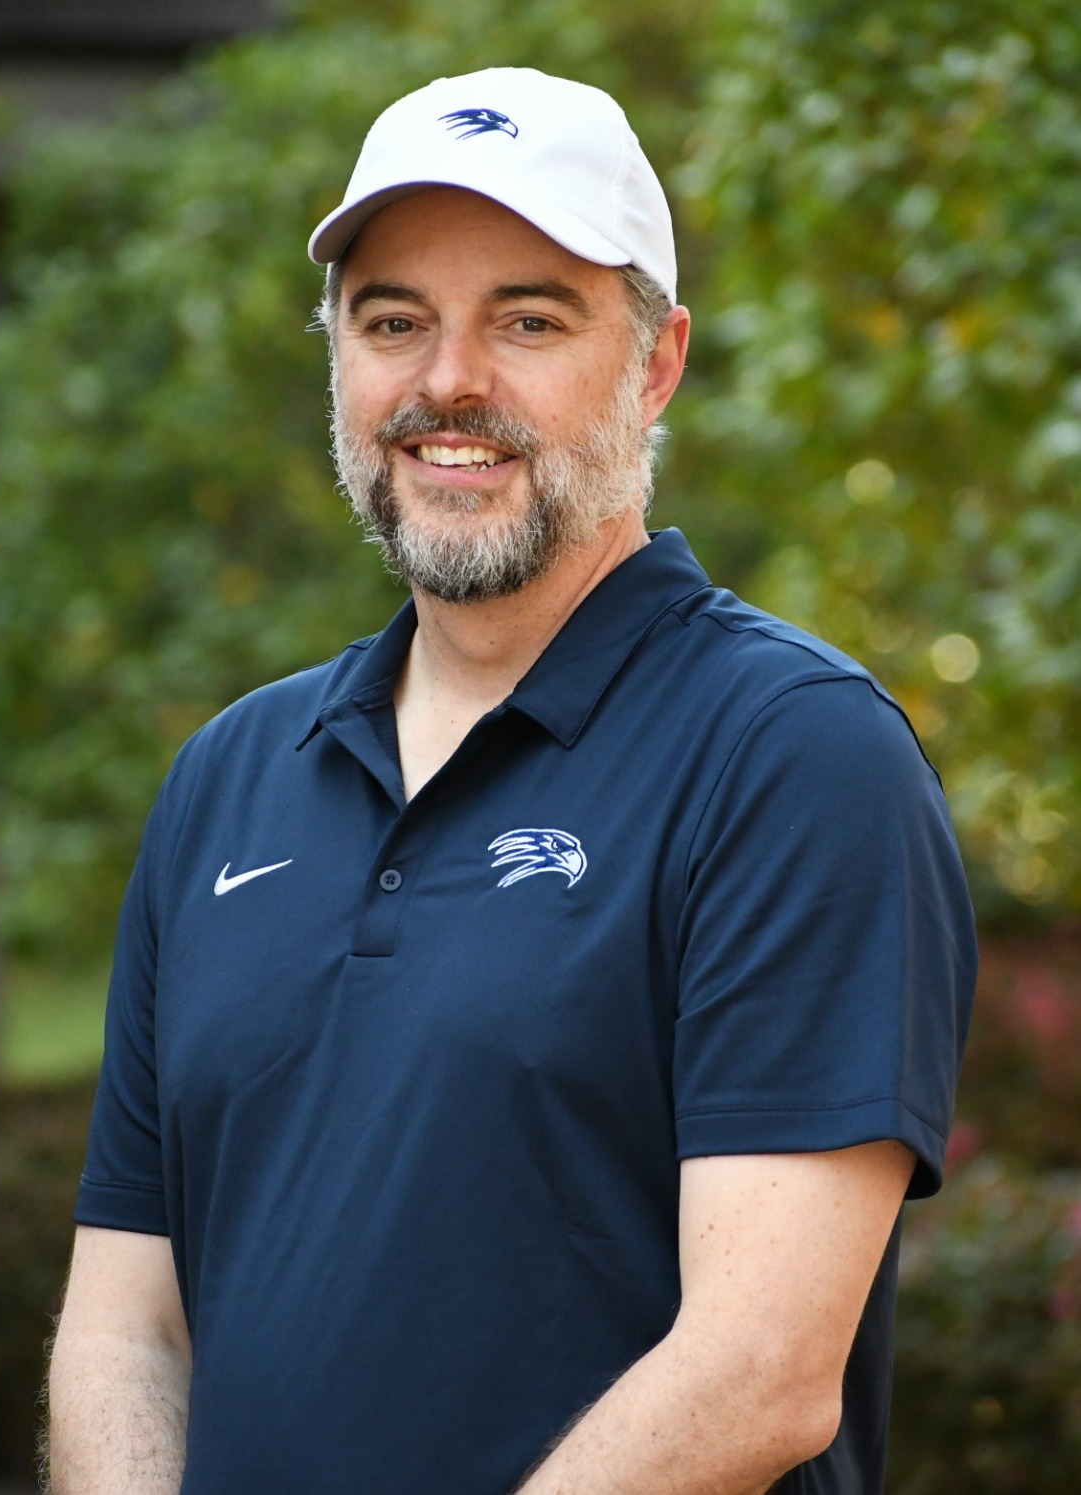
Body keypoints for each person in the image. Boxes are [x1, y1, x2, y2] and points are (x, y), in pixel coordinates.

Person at [47, 67, 976, 1495]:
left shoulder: (792, 754)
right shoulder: (228, 778)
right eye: (393, 322)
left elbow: (762, 1371)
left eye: (527, 320)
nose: (448, 383)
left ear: (655, 364)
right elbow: (129, 1328)